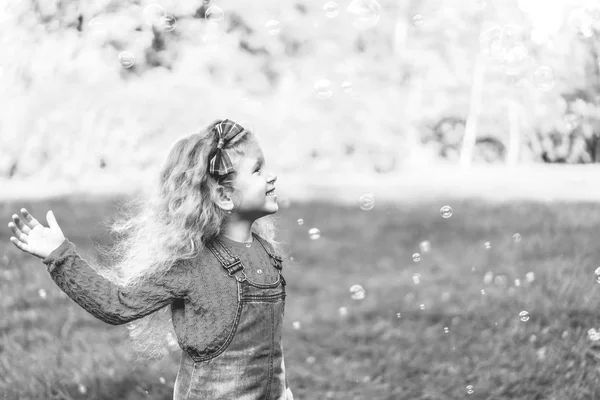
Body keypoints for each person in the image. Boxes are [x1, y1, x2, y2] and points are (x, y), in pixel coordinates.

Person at [7, 119, 294, 399]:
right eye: (257, 170)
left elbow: (267, 350)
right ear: (224, 196)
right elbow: (118, 304)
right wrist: (60, 256)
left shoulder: (265, 251)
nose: (271, 176)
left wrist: (281, 389)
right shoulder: (193, 264)